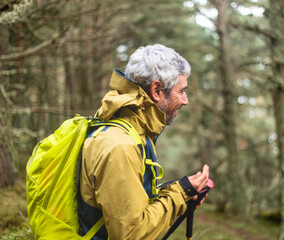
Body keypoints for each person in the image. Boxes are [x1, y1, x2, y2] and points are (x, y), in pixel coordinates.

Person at [77, 44, 210, 239]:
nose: (185, 100)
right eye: (181, 91)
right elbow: (131, 233)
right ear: (156, 90)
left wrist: (185, 192)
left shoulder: (132, 132)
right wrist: (181, 193)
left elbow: (132, 203)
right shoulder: (121, 146)